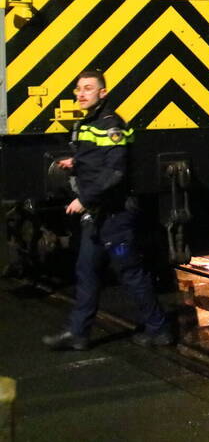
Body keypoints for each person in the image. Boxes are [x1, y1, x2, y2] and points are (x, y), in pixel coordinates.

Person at [42, 70, 173, 350]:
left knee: (130, 272)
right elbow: (96, 160)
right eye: (78, 88)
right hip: (97, 219)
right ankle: (78, 333)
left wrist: (85, 199)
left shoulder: (111, 125)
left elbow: (115, 173)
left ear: (103, 93)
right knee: (86, 270)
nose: (81, 93)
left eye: (88, 88)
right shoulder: (87, 124)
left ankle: (160, 329)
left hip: (115, 220)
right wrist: (75, 162)